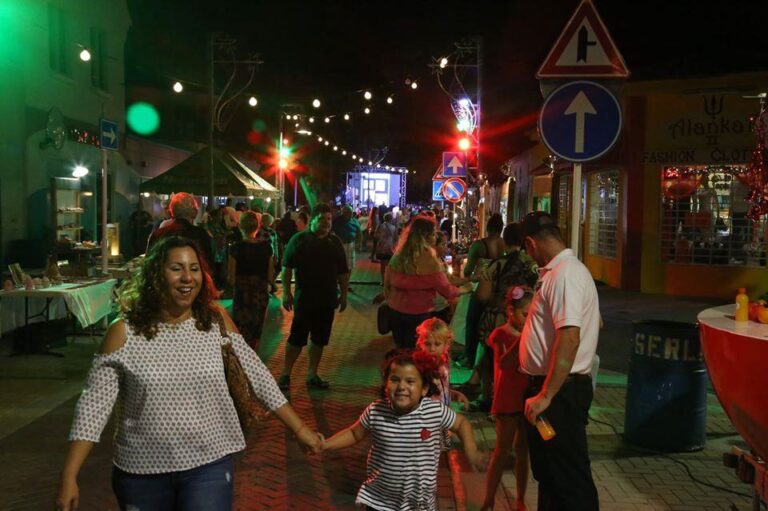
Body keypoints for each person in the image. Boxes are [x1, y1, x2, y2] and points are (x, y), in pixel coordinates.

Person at [55, 236, 321, 511]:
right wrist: (69, 476)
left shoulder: (215, 321)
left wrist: (300, 430)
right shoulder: (123, 332)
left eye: (194, 269)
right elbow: (93, 407)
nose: (187, 278)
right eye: (176, 268)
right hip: (141, 472)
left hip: (209, 465)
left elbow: (258, 376)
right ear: (156, 275)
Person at [321, 350, 483, 511]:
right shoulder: (376, 410)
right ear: (386, 385)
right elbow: (354, 433)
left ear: (424, 389)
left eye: (410, 381)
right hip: (379, 501)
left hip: (418, 504)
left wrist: (471, 450)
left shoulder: (434, 411)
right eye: (395, 380)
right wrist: (325, 445)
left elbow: (461, 423)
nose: (401, 386)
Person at [519, 211, 600, 511]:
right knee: (552, 475)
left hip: (559, 393)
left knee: (568, 478)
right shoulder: (561, 272)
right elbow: (594, 323)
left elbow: (569, 337)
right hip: (553, 389)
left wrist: (546, 395)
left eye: (527, 249)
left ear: (531, 243)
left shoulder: (565, 274)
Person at [279, 203, 348, 390]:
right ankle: (285, 374)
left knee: (319, 339)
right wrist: (286, 292)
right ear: (313, 219)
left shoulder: (335, 243)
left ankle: (312, 374)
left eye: (329, 219)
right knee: (296, 338)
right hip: (304, 300)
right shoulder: (299, 240)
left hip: (327, 300)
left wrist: (343, 295)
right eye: (322, 219)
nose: (326, 222)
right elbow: (287, 268)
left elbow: (343, 272)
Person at [470, 223, 538, 411]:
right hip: (524, 319)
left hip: (495, 320)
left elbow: (482, 295)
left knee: (489, 360)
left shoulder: (495, 265)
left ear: (504, 241)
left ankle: (487, 398)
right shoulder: (532, 265)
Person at [385, 215, 471, 349]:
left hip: (396, 311)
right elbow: (447, 290)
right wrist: (464, 289)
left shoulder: (398, 256)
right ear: (425, 236)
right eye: (433, 234)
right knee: (418, 349)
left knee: (401, 348)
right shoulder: (430, 261)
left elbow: (387, 284)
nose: (435, 237)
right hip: (418, 314)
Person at [481, 286, 532, 511]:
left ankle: (520, 498)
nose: (528, 320)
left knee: (523, 451)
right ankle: (489, 499)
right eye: (525, 314)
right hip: (507, 399)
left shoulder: (530, 335)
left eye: (532, 315)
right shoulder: (500, 334)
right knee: (502, 451)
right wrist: (524, 340)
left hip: (527, 398)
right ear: (510, 310)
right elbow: (504, 363)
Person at [458, 213, 506, 372]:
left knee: (472, 322)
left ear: (487, 227)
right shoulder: (504, 244)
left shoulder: (479, 245)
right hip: (498, 290)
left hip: (481, 288)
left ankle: (469, 358)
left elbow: (468, 270)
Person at [228, 212, 273, 352]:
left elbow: (231, 279)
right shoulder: (266, 248)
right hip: (260, 294)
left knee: (240, 331)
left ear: (240, 226)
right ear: (257, 226)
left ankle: (242, 359)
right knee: (256, 331)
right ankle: (254, 357)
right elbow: (270, 276)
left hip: (243, 295)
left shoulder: (235, 248)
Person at [147, 192, 214, 269]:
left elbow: (149, 264)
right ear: (195, 213)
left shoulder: (158, 234)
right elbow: (208, 264)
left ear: (171, 212)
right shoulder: (200, 234)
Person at [416, 317, 469, 410]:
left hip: (442, 411)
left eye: (437, 344)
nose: (432, 349)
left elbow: (440, 390)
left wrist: (453, 394)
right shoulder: (419, 367)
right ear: (420, 343)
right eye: (427, 344)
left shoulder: (444, 363)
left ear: (446, 344)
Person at [332, 204, 361, 286]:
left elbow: (359, 233)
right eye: (344, 212)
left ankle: (346, 283)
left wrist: (359, 244)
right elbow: (331, 231)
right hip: (339, 245)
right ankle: (338, 283)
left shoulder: (354, 221)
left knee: (349, 266)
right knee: (338, 265)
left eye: (349, 212)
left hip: (350, 245)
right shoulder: (336, 221)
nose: (347, 214)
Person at [374, 212, 397, 286]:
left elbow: (376, 236)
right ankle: (389, 280)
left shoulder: (380, 226)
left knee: (382, 265)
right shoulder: (394, 227)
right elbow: (396, 238)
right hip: (390, 248)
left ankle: (383, 281)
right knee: (390, 265)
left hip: (382, 247)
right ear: (391, 219)